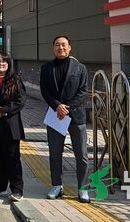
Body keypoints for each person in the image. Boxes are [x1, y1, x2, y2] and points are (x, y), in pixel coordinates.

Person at [39, 35, 90, 203]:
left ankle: (83, 188)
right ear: (53, 48)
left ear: (69, 47)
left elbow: (83, 92)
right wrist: (57, 106)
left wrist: (66, 108)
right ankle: (56, 185)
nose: (60, 48)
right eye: (57, 45)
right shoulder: (46, 68)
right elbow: (44, 90)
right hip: (55, 115)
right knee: (55, 153)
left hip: (76, 116)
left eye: (63, 45)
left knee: (81, 155)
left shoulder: (80, 68)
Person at [0, 53, 26, 202]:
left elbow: (20, 101)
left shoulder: (15, 79)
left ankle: (17, 189)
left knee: (13, 158)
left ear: (8, 64)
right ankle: (0, 186)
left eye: (4, 61)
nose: (1, 64)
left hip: (10, 125)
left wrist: (4, 110)